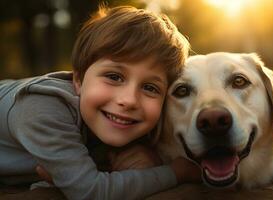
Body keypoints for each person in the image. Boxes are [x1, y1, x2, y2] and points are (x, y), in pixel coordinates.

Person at [0, 5, 200, 200]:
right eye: (114, 77)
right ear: (78, 80)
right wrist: (176, 173)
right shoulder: (42, 108)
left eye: (150, 88)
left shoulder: (122, 120)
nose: (129, 100)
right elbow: (91, 191)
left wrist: (150, 158)